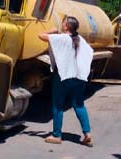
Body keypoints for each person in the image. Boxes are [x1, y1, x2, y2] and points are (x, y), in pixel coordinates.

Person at [38, 16, 94, 146]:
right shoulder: (80, 39)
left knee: (58, 105)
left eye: (63, 23)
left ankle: (57, 135)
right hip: (79, 77)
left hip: (63, 76)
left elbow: (41, 36)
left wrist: (52, 31)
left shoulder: (61, 38)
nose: (62, 24)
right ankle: (87, 134)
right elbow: (90, 51)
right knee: (79, 105)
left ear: (66, 26)